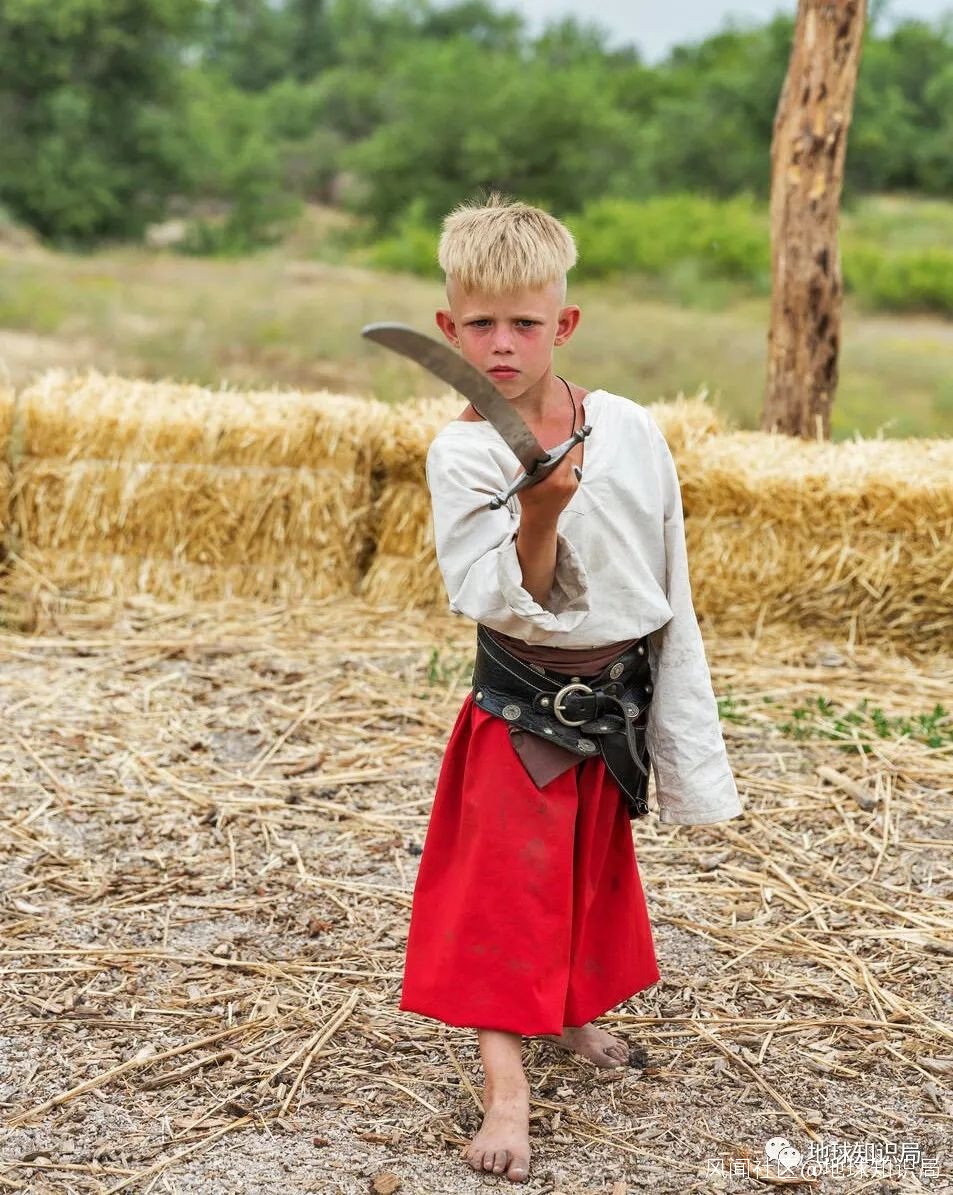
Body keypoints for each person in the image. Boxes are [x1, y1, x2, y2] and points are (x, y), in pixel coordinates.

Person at [398, 194, 743, 1185]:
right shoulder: (464, 451)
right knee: (504, 894)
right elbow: (503, 594)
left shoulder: (628, 427)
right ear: (448, 329)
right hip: (524, 711)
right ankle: (505, 1091)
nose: (502, 344)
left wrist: (671, 707)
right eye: (480, 324)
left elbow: (664, 568)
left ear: (566, 322)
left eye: (524, 322)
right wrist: (540, 513)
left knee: (589, 874)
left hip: (617, 702)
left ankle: (571, 1013)